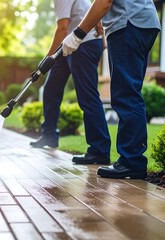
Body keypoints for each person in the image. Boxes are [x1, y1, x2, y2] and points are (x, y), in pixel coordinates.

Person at [61, 0, 160, 179]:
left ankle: (132, 161)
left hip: (128, 24)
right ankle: (132, 159)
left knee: (125, 94)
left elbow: (104, 2)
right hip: (143, 22)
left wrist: (78, 34)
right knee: (129, 92)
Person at [30, 0, 111, 166]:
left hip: (83, 43)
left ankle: (99, 149)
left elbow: (62, 28)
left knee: (87, 95)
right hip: (69, 45)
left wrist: (47, 58)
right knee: (51, 88)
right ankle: (49, 135)